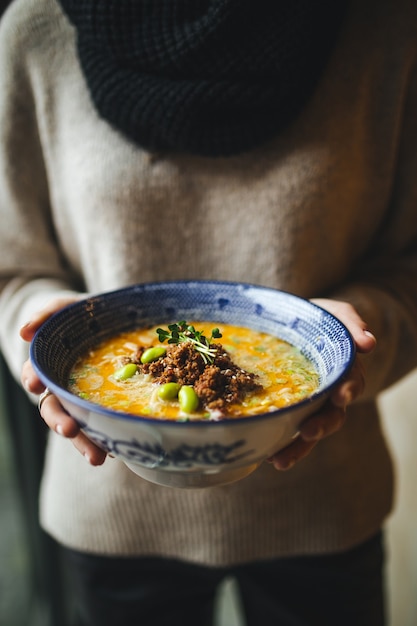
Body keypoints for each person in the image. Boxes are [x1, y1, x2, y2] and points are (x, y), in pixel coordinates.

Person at [1, 0, 417, 624]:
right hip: (114, 503)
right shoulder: (35, 31)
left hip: (322, 502)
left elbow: (408, 263)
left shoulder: (385, 27)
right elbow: (11, 268)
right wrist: (43, 325)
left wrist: (358, 331)